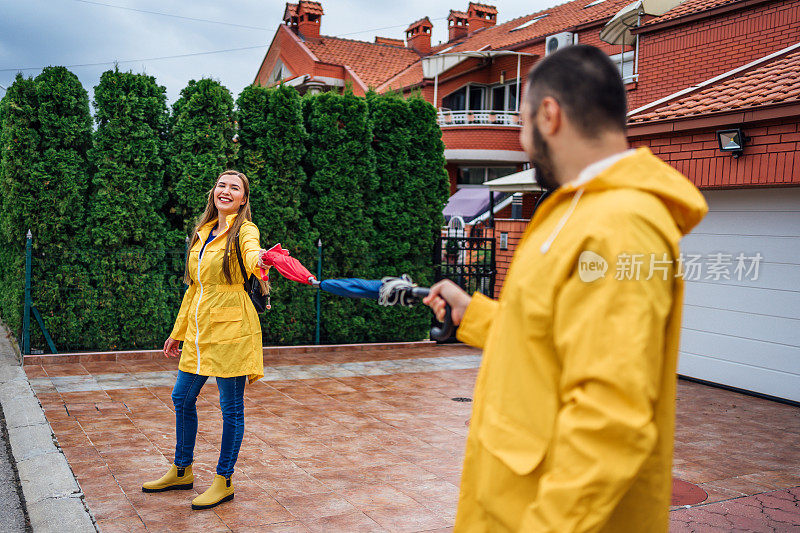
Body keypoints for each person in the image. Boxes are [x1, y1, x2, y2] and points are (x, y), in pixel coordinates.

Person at [424, 45, 708, 532]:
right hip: (509, 503)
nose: (523, 141)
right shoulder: (578, 211)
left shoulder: (621, 226)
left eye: (522, 123)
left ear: (549, 115)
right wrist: (472, 311)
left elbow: (610, 417)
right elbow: (548, 332)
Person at [142, 170, 271, 510]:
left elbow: (252, 253)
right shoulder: (203, 232)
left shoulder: (245, 230)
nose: (225, 191)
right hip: (200, 334)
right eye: (221, 185)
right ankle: (181, 471)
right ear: (214, 192)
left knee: (231, 409)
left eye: (235, 188)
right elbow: (194, 288)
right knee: (182, 398)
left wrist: (262, 260)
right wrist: (177, 331)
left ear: (243, 199)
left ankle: (223, 480)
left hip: (232, 331)